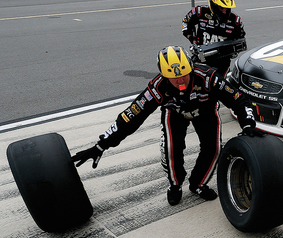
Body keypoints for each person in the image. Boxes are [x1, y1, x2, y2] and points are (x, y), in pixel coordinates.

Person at [71, 46, 262, 206]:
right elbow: (131, 116)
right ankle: (175, 184)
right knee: (172, 149)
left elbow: (238, 99)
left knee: (213, 149)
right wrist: (102, 144)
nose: (180, 80)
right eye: (174, 77)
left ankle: (198, 184)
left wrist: (248, 123)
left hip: (205, 112)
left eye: (184, 75)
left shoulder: (208, 77)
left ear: (190, 67)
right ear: (164, 75)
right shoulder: (157, 87)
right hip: (175, 113)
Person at [181, 0, 246, 75]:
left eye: (226, 8)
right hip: (201, 59)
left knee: (219, 85)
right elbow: (185, 24)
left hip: (222, 61)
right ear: (213, 5)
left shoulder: (235, 21)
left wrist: (232, 51)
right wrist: (193, 40)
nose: (224, 11)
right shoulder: (200, 12)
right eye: (221, 8)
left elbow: (240, 39)